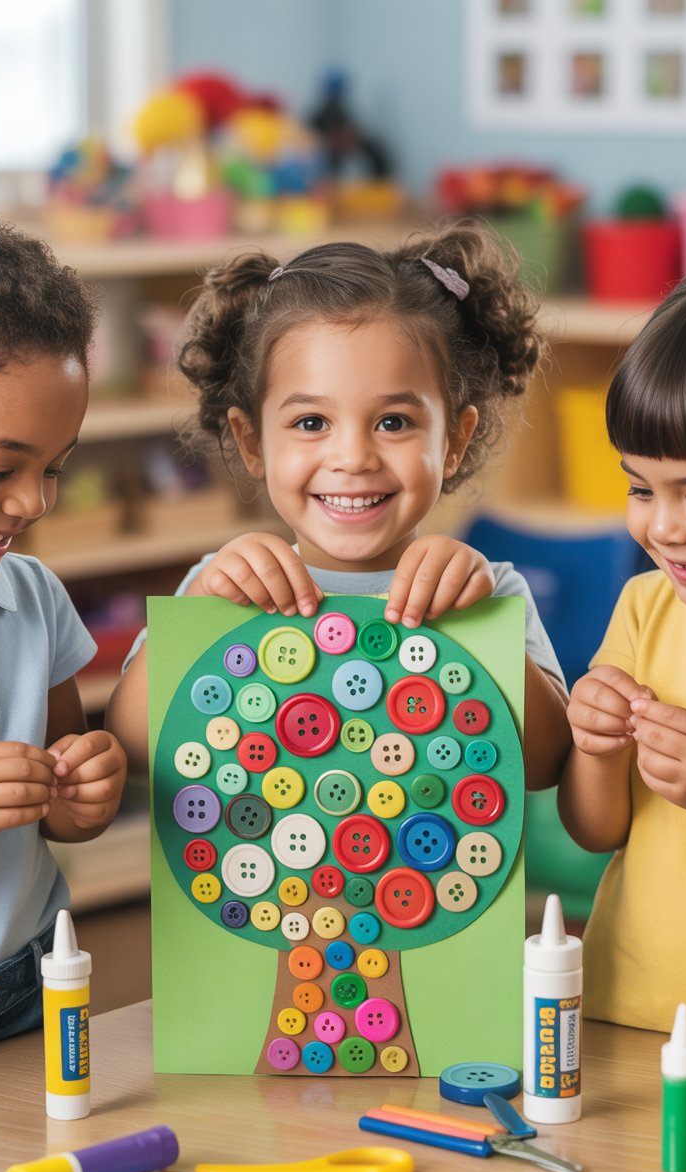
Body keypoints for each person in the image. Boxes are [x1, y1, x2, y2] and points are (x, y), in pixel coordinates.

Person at [108, 221, 570, 791]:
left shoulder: (488, 590)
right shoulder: (220, 585)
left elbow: (548, 766)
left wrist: (474, 627)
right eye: (311, 423)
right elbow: (131, 743)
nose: (352, 457)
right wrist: (202, 609)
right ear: (252, 442)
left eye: (393, 422)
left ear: (454, 440)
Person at [0, 210, 127, 1053]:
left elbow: (61, 817)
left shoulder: (32, 597)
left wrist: (83, 794)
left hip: (27, 985)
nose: (34, 502)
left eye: (54, 467)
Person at [558, 266, 686, 1041]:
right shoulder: (644, 606)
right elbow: (597, 830)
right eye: (639, 488)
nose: (664, 528)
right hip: (628, 1015)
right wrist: (593, 747)